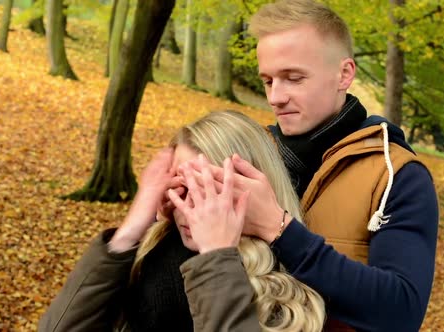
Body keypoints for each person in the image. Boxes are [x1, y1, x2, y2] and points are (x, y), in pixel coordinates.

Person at [185, 1, 439, 331]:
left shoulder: (398, 175)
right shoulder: (248, 156)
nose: (275, 97)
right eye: (268, 80)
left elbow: (401, 312)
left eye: (293, 78)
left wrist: (279, 230)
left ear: (344, 74)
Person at [38, 111, 325, 332]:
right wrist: (127, 235)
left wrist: (216, 256)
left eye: (209, 191)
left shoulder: (285, 284)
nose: (188, 207)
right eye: (179, 186)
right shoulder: (148, 254)